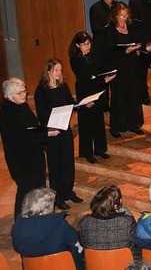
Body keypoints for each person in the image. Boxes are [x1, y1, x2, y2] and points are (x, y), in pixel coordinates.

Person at [34, 58, 82, 210]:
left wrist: (81, 105)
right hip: (51, 132)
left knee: (68, 162)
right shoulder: (41, 90)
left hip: (64, 129)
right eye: (56, 70)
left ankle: (68, 191)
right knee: (55, 165)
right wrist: (53, 121)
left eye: (60, 70)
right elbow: (41, 114)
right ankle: (58, 196)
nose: (59, 73)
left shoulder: (63, 87)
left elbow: (70, 102)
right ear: (48, 71)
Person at [0, 78, 50, 219]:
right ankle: (20, 221)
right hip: (21, 161)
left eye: (25, 91)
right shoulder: (7, 114)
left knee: (39, 189)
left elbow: (34, 127)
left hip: (35, 155)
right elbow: (21, 138)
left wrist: (44, 132)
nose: (24, 94)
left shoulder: (22, 105)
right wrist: (46, 134)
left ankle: (39, 216)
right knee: (25, 192)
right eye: (20, 92)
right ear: (9, 96)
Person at [69, 31, 115, 163]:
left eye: (88, 43)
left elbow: (98, 72)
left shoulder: (93, 56)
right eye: (83, 44)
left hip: (96, 89)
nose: (87, 47)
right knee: (86, 122)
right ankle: (87, 152)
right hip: (85, 91)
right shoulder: (75, 60)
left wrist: (103, 77)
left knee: (98, 121)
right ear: (77, 45)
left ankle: (100, 149)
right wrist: (103, 80)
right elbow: (85, 78)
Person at [106, 2, 150, 137]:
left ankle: (133, 124)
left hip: (132, 66)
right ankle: (117, 126)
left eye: (126, 15)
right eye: (121, 15)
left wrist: (139, 48)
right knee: (119, 97)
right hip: (118, 67)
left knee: (133, 95)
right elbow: (109, 50)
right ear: (115, 16)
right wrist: (125, 51)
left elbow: (138, 40)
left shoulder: (131, 27)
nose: (124, 18)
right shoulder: (110, 30)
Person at [11, 188, 84, 269]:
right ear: (47, 209)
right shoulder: (60, 225)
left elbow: (17, 247)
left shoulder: (17, 227)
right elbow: (78, 247)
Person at [78, 185, 139, 259]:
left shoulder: (85, 222)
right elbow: (137, 244)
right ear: (116, 206)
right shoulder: (127, 222)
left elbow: (82, 243)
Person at [89, 0, 118, 109]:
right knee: (104, 78)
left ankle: (117, 104)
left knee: (116, 77)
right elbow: (96, 29)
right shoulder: (95, 8)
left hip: (115, 47)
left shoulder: (117, 7)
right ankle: (104, 105)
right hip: (102, 48)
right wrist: (110, 28)